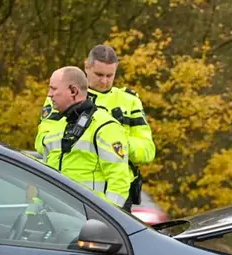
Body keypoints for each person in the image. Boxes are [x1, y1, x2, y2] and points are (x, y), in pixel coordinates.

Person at [35, 44, 156, 210]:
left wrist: (113, 140)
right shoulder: (65, 96)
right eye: (99, 74)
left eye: (110, 75)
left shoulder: (129, 101)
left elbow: (147, 150)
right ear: (86, 66)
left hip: (116, 192)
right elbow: (43, 141)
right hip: (70, 187)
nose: (104, 81)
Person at [37, 66, 134, 209]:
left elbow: (119, 182)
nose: (49, 95)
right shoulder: (56, 128)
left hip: (91, 223)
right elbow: (45, 180)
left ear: (73, 91)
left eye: (53, 89)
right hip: (58, 219)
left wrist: (107, 221)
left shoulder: (105, 127)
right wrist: (34, 212)